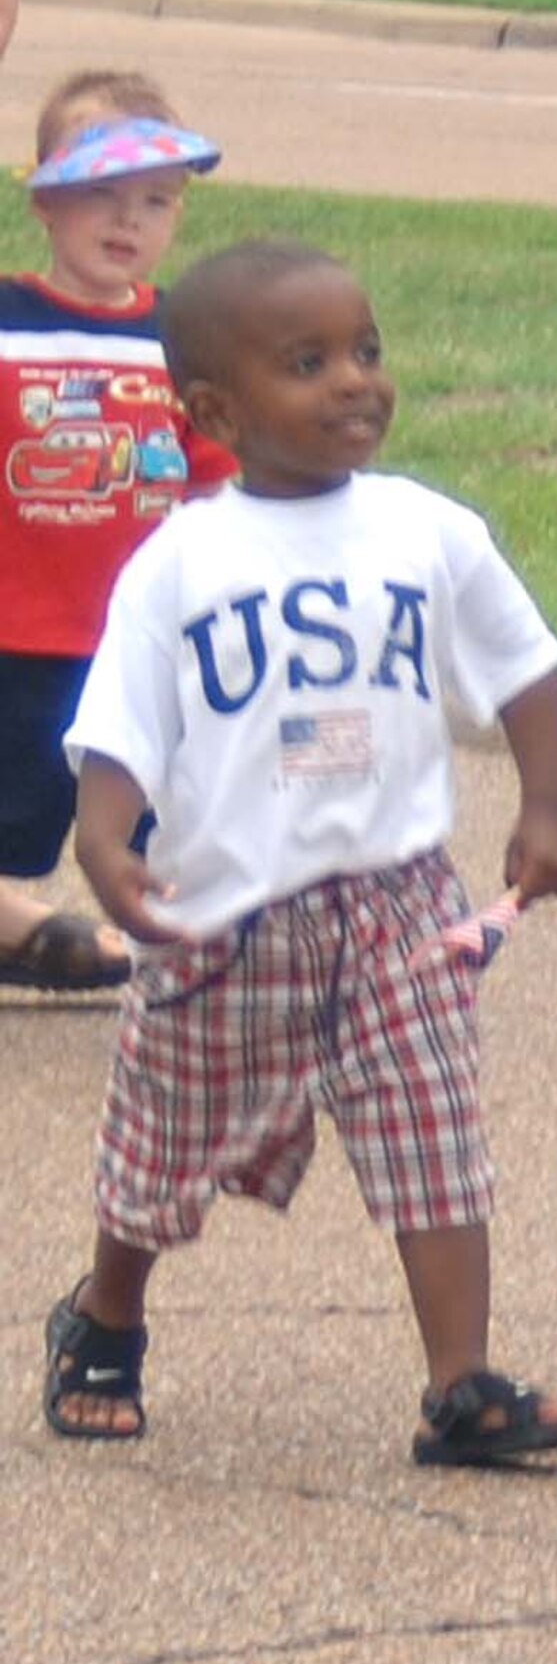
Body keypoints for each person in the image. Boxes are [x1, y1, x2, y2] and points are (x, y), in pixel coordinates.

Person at [43, 238, 557, 1469]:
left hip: (398, 902)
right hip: (227, 912)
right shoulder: (180, 562)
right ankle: (107, 1313)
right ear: (216, 412)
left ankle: (460, 1386)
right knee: (161, 1144)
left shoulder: (427, 530)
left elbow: (524, 665)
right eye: (309, 363)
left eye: (367, 350)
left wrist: (545, 807)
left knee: (432, 1130)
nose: (355, 381)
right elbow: (121, 729)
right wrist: (102, 840)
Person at [0, 72, 234, 991]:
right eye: (100, 191)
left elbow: (215, 483)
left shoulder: (181, 337)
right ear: (46, 199)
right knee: (15, 812)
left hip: (140, 637)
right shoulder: (7, 321)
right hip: (16, 631)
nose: (127, 218)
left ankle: (185, 950)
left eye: (155, 199)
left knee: (161, 809)